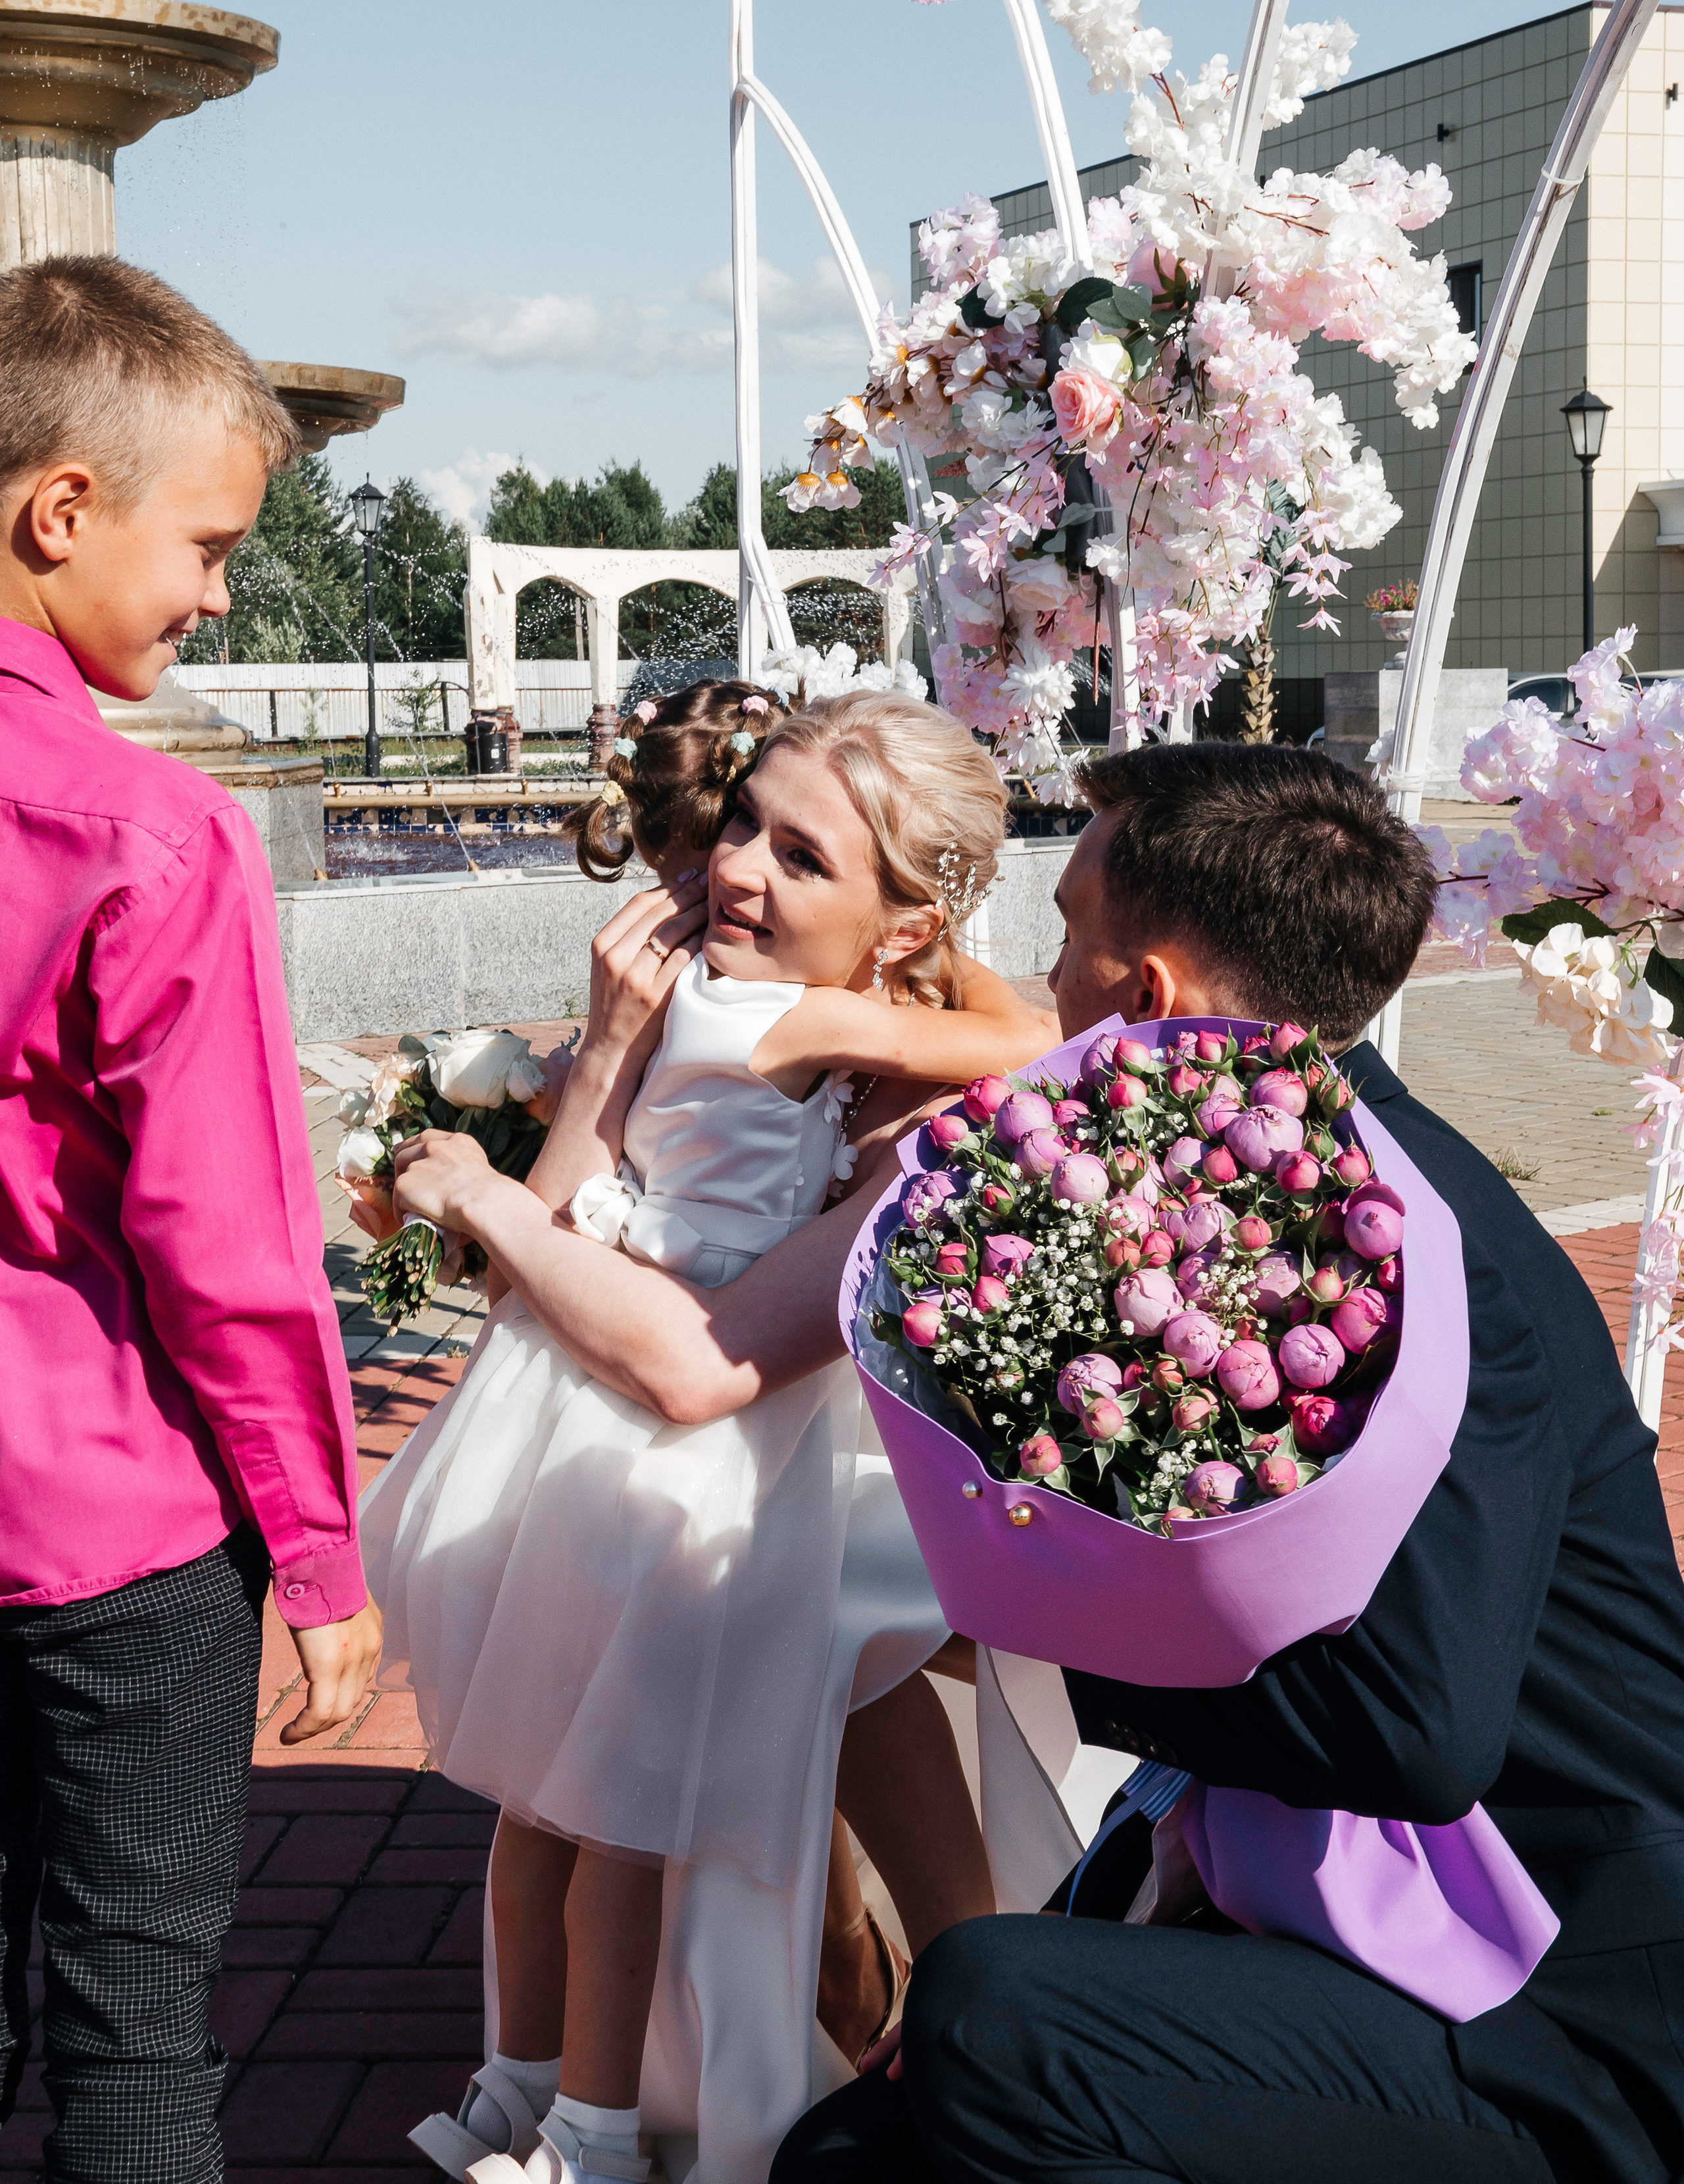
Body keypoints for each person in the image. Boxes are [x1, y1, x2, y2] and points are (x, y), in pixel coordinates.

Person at [768, 740, 1684, 2184]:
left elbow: (1418, 1733)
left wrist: (1064, 1623)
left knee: (989, 2018)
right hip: (1376, 1908)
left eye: (1065, 936)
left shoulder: (1414, 1259)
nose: (1044, 980)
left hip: (1562, 2003)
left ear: (1145, 997)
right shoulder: (1264, 1199)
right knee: (846, 2151)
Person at [370, 691, 1056, 2184]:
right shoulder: (784, 1014)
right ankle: (597, 2118)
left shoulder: (746, 1012)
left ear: (896, 916)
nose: (734, 867)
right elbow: (1033, 1033)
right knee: (618, 1809)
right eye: (745, 823)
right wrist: (901, 972)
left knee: (569, 1803)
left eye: (797, 854)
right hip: (696, 1449)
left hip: (636, 1427)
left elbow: (552, 1255)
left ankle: (539, 2094)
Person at [0, 256, 381, 2183]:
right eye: (209, 546)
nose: (221, 595)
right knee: (134, 2040)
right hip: (104, 1529)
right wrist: (317, 1555)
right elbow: (225, 1250)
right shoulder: (145, 832)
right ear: (62, 511)